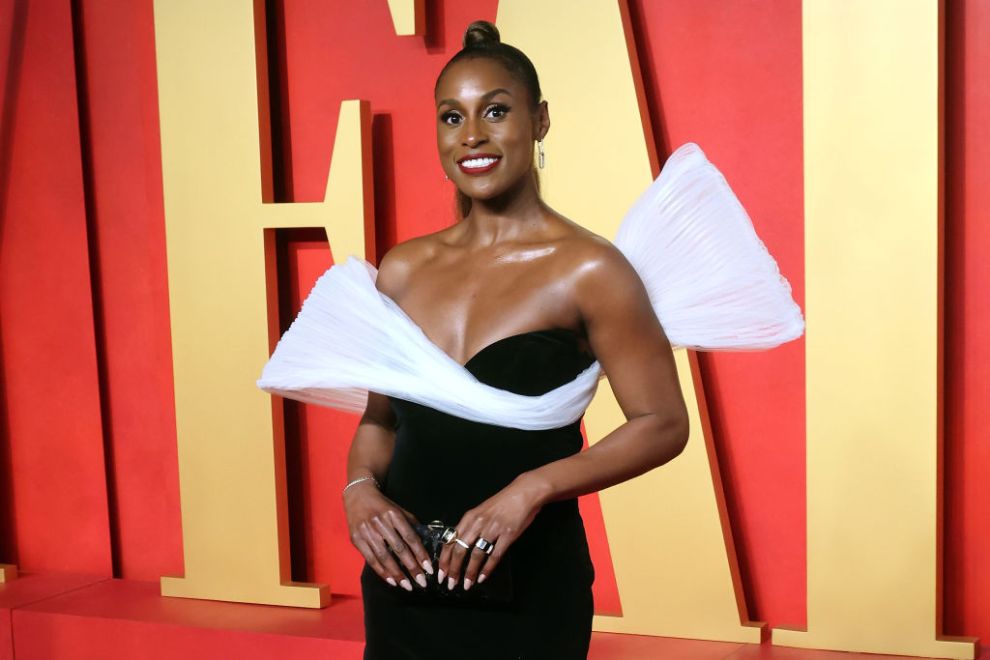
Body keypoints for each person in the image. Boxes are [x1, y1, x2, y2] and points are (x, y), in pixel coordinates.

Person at [343, 20, 690, 659]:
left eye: (495, 111)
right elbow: (381, 422)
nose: (472, 135)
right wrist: (359, 491)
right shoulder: (401, 269)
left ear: (540, 120)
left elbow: (663, 424)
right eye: (452, 117)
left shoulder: (590, 270)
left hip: (528, 585)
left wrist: (530, 489)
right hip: (404, 583)